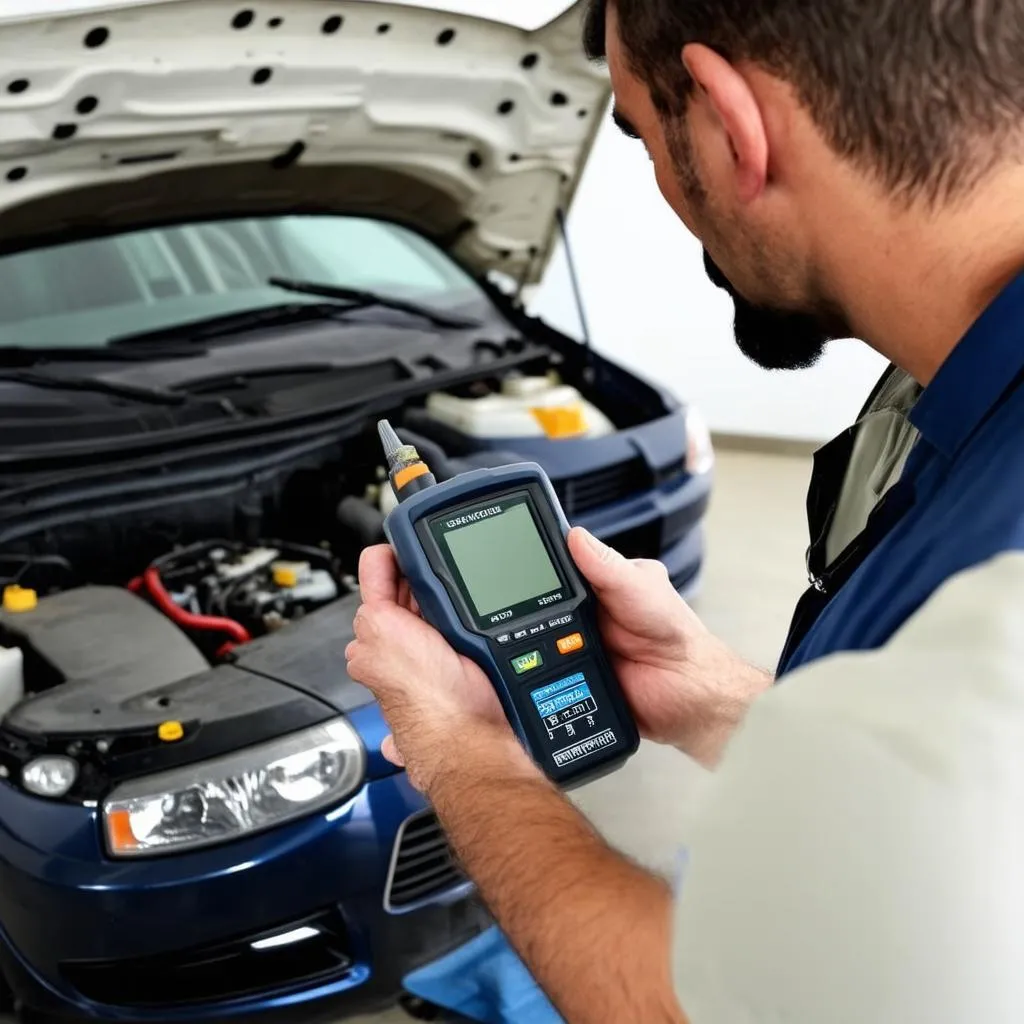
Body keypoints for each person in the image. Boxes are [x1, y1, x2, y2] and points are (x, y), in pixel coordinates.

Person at [346, 0, 1024, 1020]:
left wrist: (462, 753)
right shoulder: (965, 431)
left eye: (638, 135)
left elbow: (683, 1006)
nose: (664, 189)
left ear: (724, 119)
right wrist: (721, 700)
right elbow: (961, 812)